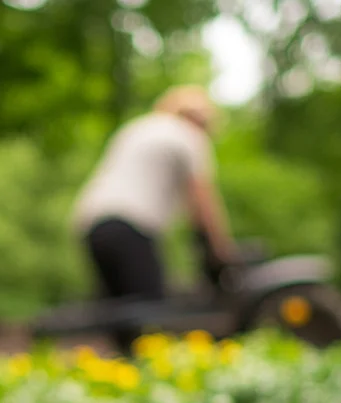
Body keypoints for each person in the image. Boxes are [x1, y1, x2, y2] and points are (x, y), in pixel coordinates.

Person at [70, 85, 240, 353]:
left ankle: (121, 376)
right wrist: (222, 251)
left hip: (92, 223)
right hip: (130, 225)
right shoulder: (189, 136)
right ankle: (150, 378)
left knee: (121, 313)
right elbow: (203, 203)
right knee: (153, 314)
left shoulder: (138, 128)